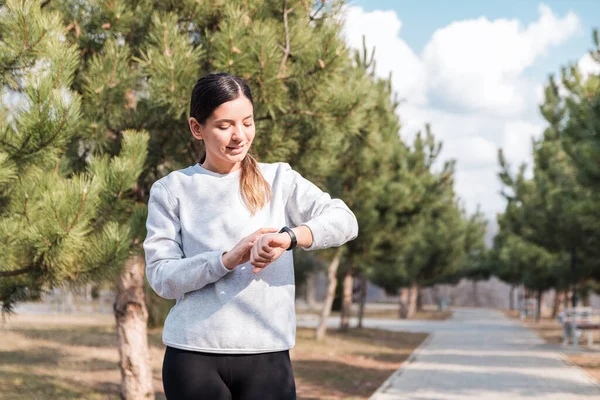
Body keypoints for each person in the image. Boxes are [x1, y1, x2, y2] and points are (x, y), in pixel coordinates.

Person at [143, 72, 359, 400]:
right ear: (196, 128)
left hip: (268, 356)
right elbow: (162, 277)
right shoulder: (172, 189)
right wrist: (225, 260)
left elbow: (345, 220)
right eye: (225, 125)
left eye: (247, 122)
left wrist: (289, 237)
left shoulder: (279, 179)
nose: (239, 136)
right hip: (193, 358)